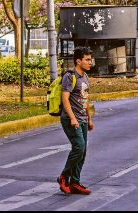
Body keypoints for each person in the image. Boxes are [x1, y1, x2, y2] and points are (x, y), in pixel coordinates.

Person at [57, 47, 94, 195]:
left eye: (90, 59)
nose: (90, 62)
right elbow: (65, 99)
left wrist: (89, 118)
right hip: (71, 119)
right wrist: (72, 118)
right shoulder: (69, 76)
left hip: (83, 118)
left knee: (82, 151)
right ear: (78, 61)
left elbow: (85, 100)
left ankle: (75, 182)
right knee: (78, 147)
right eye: (87, 59)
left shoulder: (84, 76)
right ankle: (64, 177)